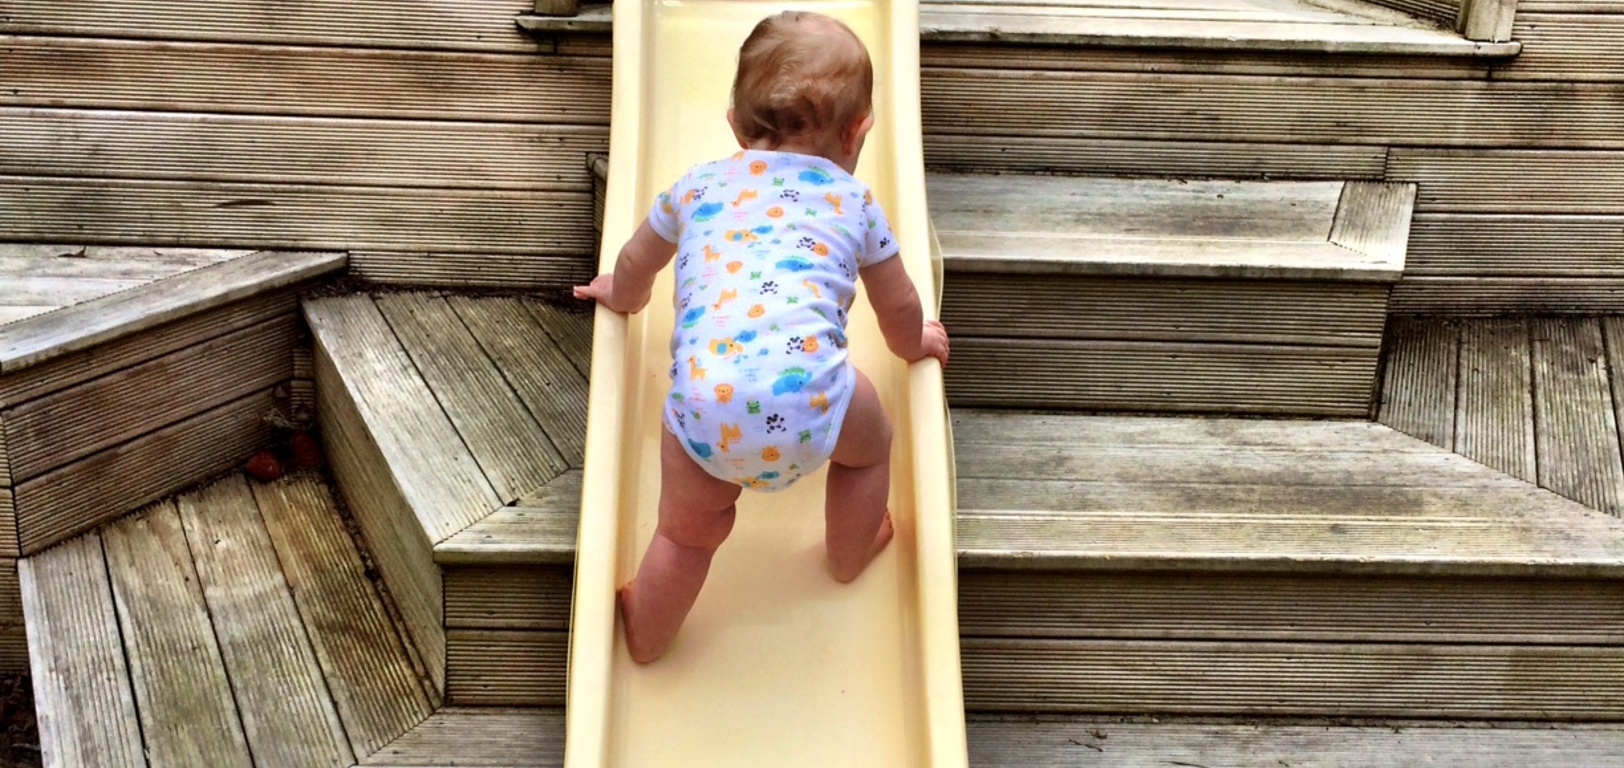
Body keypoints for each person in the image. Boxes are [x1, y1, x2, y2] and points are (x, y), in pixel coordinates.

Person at [574, 10, 949, 664]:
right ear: (859, 130)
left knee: (686, 536)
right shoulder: (854, 203)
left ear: (733, 127)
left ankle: (648, 631)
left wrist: (619, 294)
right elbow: (898, 306)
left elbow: (635, 265)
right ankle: (848, 553)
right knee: (872, 445)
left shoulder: (695, 187)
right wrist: (917, 342)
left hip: (705, 413)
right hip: (815, 407)